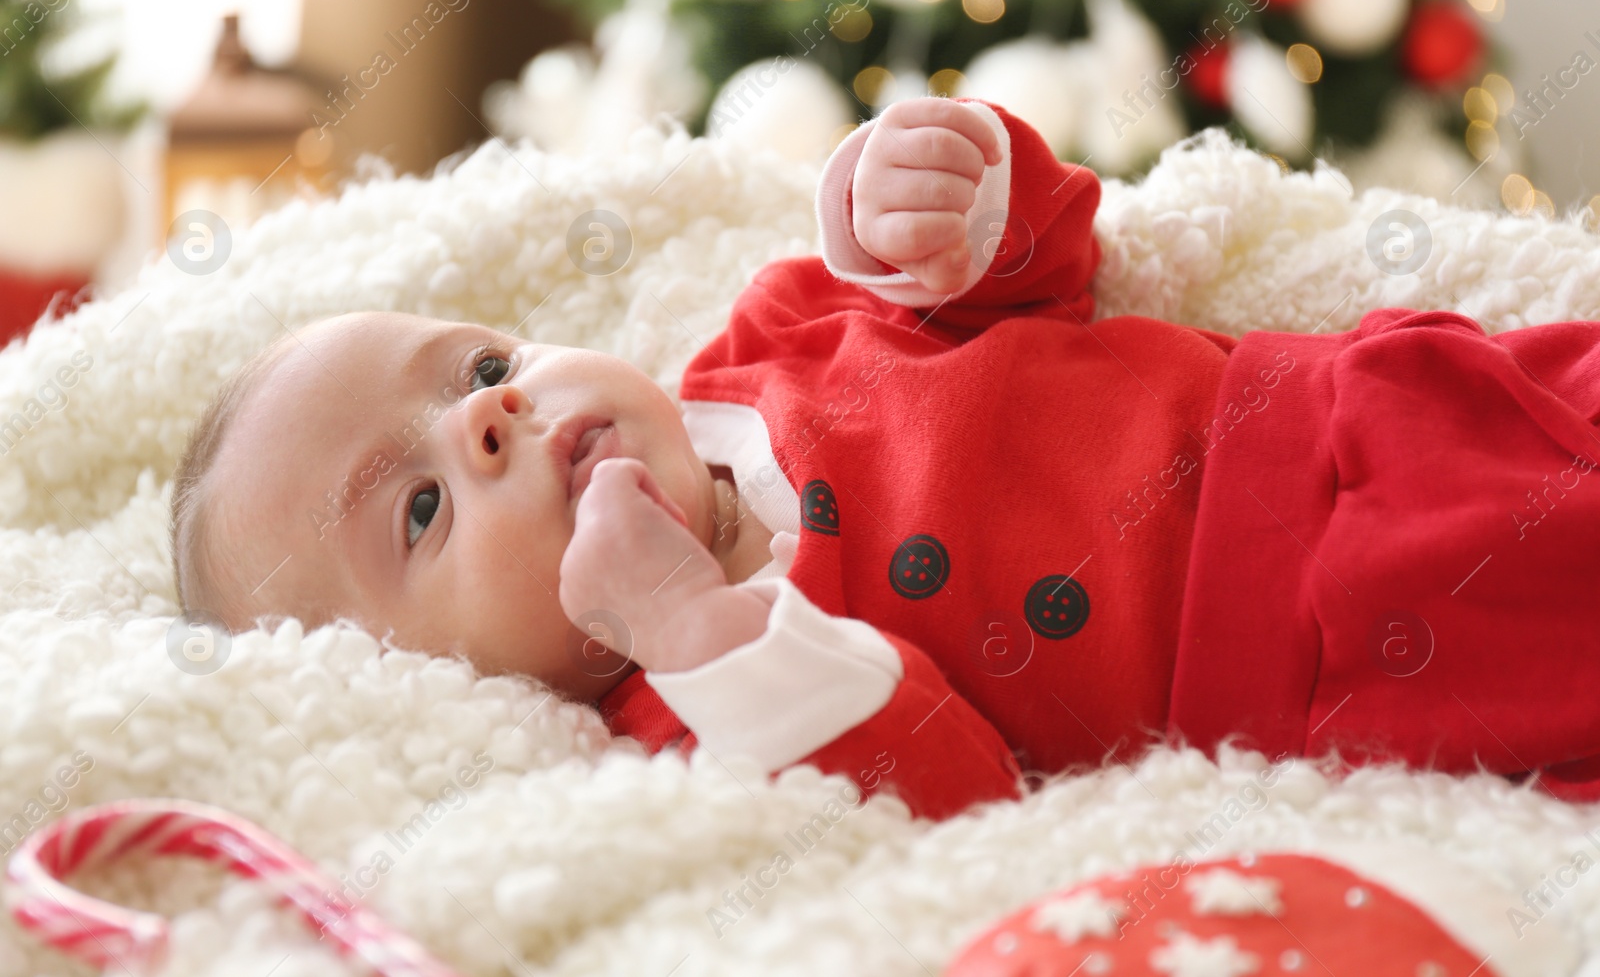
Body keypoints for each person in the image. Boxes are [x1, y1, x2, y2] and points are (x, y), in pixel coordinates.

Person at [170, 96, 1600, 821]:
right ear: (424, 684)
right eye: (421, 506)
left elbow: (1039, 281)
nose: (493, 418)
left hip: (1366, 402)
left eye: (485, 370)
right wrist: (687, 621)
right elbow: (945, 783)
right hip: (1346, 638)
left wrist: (946, 199)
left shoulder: (771, 334)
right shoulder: (696, 714)